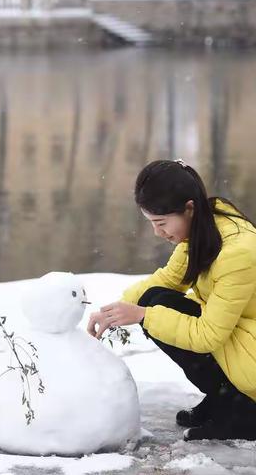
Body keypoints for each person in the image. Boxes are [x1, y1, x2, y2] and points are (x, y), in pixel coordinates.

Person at [87, 159, 256, 441]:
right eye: (152, 223)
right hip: (244, 338)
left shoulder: (237, 253)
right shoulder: (204, 229)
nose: (158, 232)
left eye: (162, 222)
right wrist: (113, 311)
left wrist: (143, 315)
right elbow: (166, 280)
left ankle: (244, 411)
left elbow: (208, 337)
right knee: (157, 298)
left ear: (189, 208)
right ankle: (224, 397)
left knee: (158, 308)